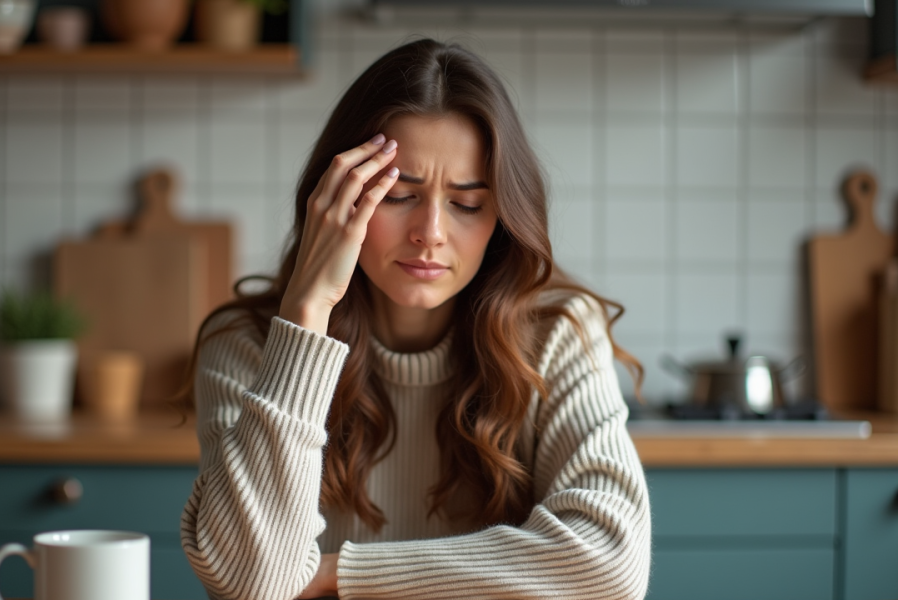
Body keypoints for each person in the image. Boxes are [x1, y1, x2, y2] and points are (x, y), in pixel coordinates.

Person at [179, 38, 651, 600]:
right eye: (398, 194)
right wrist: (305, 319)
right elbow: (250, 584)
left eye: (468, 204)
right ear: (335, 200)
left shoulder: (558, 332)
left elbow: (609, 565)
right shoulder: (248, 344)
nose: (431, 232)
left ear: (503, 218)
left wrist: (336, 577)